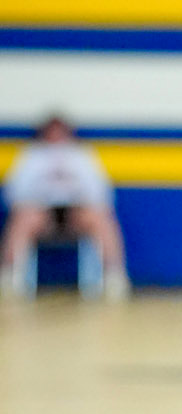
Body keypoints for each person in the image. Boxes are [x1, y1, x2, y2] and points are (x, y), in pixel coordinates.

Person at [1, 115, 129, 300]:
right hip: (43, 215)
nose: (56, 136)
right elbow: (13, 193)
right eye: (52, 131)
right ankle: (9, 278)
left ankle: (114, 277)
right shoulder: (32, 155)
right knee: (23, 218)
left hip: (75, 214)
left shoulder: (81, 155)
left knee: (100, 218)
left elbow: (102, 193)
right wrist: (42, 194)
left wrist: (76, 194)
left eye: (60, 131)